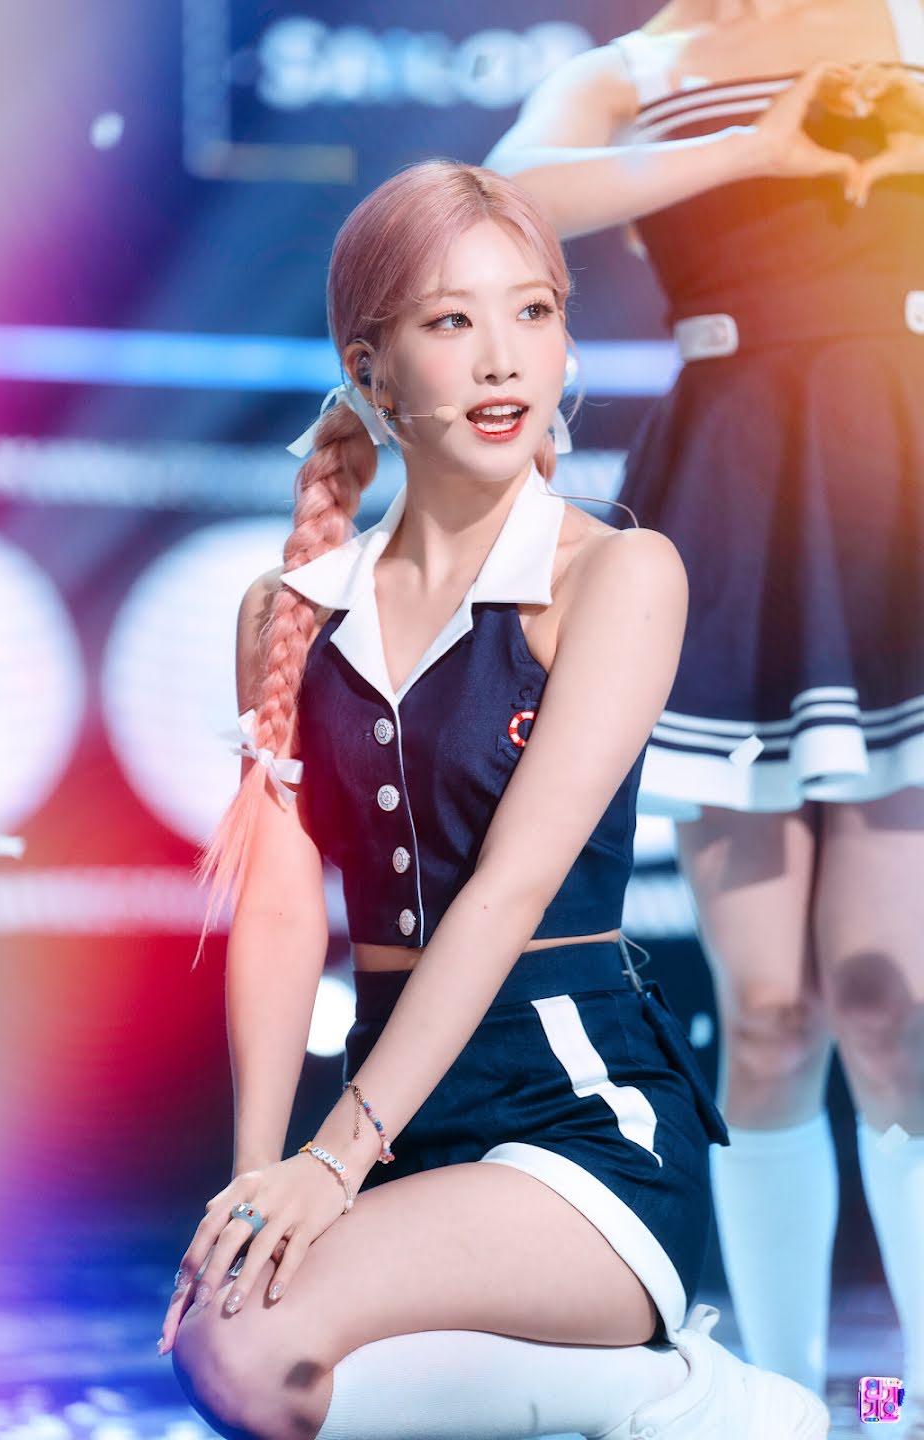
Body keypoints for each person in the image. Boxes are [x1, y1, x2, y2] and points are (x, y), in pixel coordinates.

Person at [153, 159, 830, 1440]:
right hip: (397, 1122)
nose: (503, 358)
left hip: (582, 1120)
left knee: (238, 1347)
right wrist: (257, 1176)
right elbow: (283, 911)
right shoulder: (287, 612)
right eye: (452, 320)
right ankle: (638, 1401)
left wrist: (333, 1160)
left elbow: (511, 890)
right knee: (242, 1349)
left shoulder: (618, 573)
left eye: (534, 311)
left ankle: (688, 1392)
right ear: (372, 370)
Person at [484, 0, 924, 1425]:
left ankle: (908, 1398)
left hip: (899, 469)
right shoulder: (637, 70)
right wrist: (759, 144)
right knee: (772, 1011)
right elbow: (508, 197)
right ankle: (787, 1401)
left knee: (892, 1000)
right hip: (737, 487)